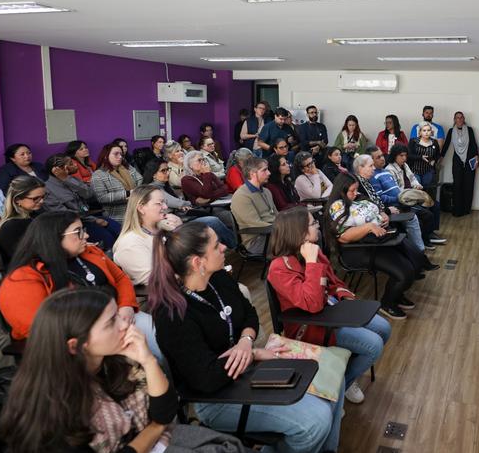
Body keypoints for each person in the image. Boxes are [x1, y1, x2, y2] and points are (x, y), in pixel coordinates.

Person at [149, 221, 344, 453]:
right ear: (197, 262)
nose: (224, 247)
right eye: (216, 245)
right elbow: (206, 379)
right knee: (317, 420)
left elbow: (249, 313)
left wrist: (246, 341)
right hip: (216, 398)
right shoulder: (172, 314)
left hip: (247, 371)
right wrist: (253, 354)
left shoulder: (217, 278)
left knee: (333, 374)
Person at [0, 288, 223, 453]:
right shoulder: (53, 409)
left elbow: (166, 409)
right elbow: (160, 421)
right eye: (111, 322)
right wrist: (155, 428)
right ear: (75, 346)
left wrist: (148, 360)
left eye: (117, 315)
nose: (125, 325)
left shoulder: (114, 362)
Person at [268, 206, 391, 405]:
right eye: (313, 223)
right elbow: (312, 304)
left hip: (332, 311)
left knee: (384, 328)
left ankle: (342, 372)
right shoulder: (280, 268)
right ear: (299, 232)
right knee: (373, 345)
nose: (317, 226)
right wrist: (311, 263)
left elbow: (334, 283)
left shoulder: (313, 251)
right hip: (311, 326)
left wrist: (346, 298)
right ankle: (340, 384)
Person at [0, 211, 146, 343]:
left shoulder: (90, 252)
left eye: (83, 230)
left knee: (155, 337)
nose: (86, 235)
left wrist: (126, 305)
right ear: (54, 238)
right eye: (78, 232)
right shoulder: (22, 279)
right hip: (74, 341)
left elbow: (120, 278)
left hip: (119, 316)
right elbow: (38, 329)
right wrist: (102, 329)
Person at [325, 173, 418, 320]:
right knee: (405, 273)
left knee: (414, 263)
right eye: (352, 191)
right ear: (341, 191)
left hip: (377, 241)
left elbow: (374, 209)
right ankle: (387, 303)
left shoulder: (357, 197)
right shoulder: (337, 206)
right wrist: (368, 227)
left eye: (356, 189)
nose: (356, 193)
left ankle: (396, 294)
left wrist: (383, 214)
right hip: (359, 249)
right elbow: (344, 237)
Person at [114, 184, 237, 286]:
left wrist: (179, 230)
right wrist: (203, 270)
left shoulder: (161, 228)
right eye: (159, 203)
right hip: (172, 296)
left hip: (191, 283)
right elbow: (156, 280)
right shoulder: (129, 243)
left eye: (164, 202)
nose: (165, 207)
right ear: (141, 208)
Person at [362, 148, 435, 251]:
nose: (382, 158)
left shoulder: (386, 172)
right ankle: (420, 249)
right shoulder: (373, 176)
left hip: (401, 202)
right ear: (371, 160)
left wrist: (406, 195)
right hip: (394, 206)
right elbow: (380, 198)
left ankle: (421, 246)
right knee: (416, 217)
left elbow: (398, 188)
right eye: (378, 157)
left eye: (382, 155)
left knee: (428, 207)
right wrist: (399, 198)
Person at [44, 153, 121, 249]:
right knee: (108, 239)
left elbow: (89, 194)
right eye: (71, 163)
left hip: (89, 215)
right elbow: (63, 214)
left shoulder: (71, 179)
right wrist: (93, 220)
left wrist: (66, 179)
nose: (75, 164)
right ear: (57, 170)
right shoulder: (47, 189)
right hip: (74, 224)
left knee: (119, 230)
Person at [387, 143, 444, 240]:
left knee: (435, 205)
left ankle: (431, 232)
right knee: (427, 212)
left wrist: (417, 185)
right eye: (401, 155)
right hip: (405, 198)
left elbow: (412, 178)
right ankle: (426, 237)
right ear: (394, 156)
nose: (404, 158)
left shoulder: (405, 165)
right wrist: (412, 191)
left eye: (405, 155)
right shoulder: (390, 170)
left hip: (412, 194)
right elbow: (396, 190)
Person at [0, 176, 46, 269]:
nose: (42, 201)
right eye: (35, 198)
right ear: (17, 200)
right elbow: (25, 260)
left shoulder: (37, 213)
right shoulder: (10, 227)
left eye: (43, 196)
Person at [231, 157, 277, 254]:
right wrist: (284, 229)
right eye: (264, 170)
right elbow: (255, 224)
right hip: (257, 240)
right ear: (252, 173)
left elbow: (276, 215)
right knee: (299, 238)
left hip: (273, 232)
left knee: (304, 232)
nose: (269, 173)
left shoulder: (266, 191)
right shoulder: (241, 196)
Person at [91, 143, 143, 223]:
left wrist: (136, 192)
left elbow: (140, 179)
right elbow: (102, 197)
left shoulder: (127, 167)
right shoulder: (98, 174)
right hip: (116, 215)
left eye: (121, 154)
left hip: (136, 208)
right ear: (106, 156)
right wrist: (127, 193)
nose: (120, 157)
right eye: (116, 154)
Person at [440, 112, 478, 217]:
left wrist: (476, 158)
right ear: (454, 119)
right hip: (457, 160)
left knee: (469, 185)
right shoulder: (451, 131)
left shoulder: (469, 130)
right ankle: (458, 209)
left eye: (461, 118)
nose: (460, 119)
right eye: (457, 118)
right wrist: (441, 157)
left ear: (464, 119)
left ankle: (466, 209)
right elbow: (446, 145)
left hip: (470, 160)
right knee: (457, 185)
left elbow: (473, 144)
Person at [407, 121, 442, 195]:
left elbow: (438, 155)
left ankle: (426, 202)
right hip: (415, 171)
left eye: (428, 130)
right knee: (417, 191)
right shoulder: (413, 141)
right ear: (420, 132)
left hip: (428, 171)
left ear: (431, 132)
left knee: (427, 191)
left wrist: (434, 160)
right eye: (424, 130)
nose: (426, 132)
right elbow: (409, 155)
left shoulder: (434, 142)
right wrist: (420, 157)